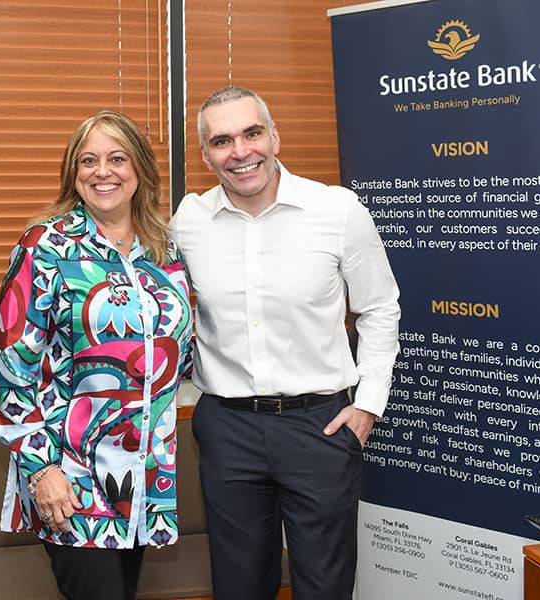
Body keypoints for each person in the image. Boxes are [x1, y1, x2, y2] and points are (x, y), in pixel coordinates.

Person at [169, 87, 400, 600]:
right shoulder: (188, 223)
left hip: (319, 426)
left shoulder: (337, 209)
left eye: (252, 133)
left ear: (274, 136)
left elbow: (380, 308)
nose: (240, 152)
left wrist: (368, 405)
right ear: (205, 155)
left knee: (325, 585)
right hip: (227, 427)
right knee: (239, 586)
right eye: (222, 141)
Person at [0, 110, 193, 600]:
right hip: (71, 478)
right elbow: (8, 371)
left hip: (143, 478)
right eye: (88, 161)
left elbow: (177, 353)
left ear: (139, 168)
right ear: (72, 172)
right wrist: (41, 470)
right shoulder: (45, 247)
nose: (103, 172)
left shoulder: (164, 251)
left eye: (117, 158)